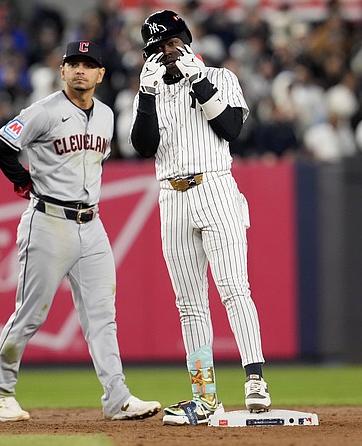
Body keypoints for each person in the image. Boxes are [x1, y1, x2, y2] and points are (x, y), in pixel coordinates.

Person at [0, 40, 161, 422]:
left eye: (88, 64)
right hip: (47, 222)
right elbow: (1, 144)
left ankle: (117, 397)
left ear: (100, 74)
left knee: (103, 316)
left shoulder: (108, 116)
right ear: (62, 71)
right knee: (30, 314)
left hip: (92, 225)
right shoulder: (44, 112)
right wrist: (24, 183)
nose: (80, 70)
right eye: (73, 63)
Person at [130, 10, 271, 426]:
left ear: (187, 41)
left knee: (233, 287)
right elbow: (143, 145)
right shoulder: (149, 89)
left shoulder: (221, 77)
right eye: (158, 47)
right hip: (171, 195)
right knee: (189, 304)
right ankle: (205, 396)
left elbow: (231, 129)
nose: (166, 52)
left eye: (172, 43)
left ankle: (255, 380)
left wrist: (199, 79)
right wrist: (147, 96)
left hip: (215, 187)